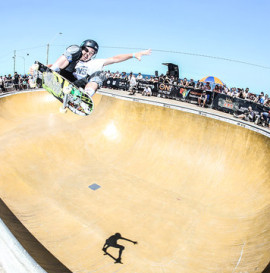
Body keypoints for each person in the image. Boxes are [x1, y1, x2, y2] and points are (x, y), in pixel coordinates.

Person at [38, 39, 151, 98]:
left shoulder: (95, 62)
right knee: (74, 50)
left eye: (91, 53)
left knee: (101, 74)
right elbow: (61, 62)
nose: (87, 54)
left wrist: (133, 54)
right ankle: (51, 75)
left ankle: (85, 95)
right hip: (64, 78)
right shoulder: (74, 56)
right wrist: (43, 69)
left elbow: (115, 58)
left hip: (78, 86)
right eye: (86, 50)